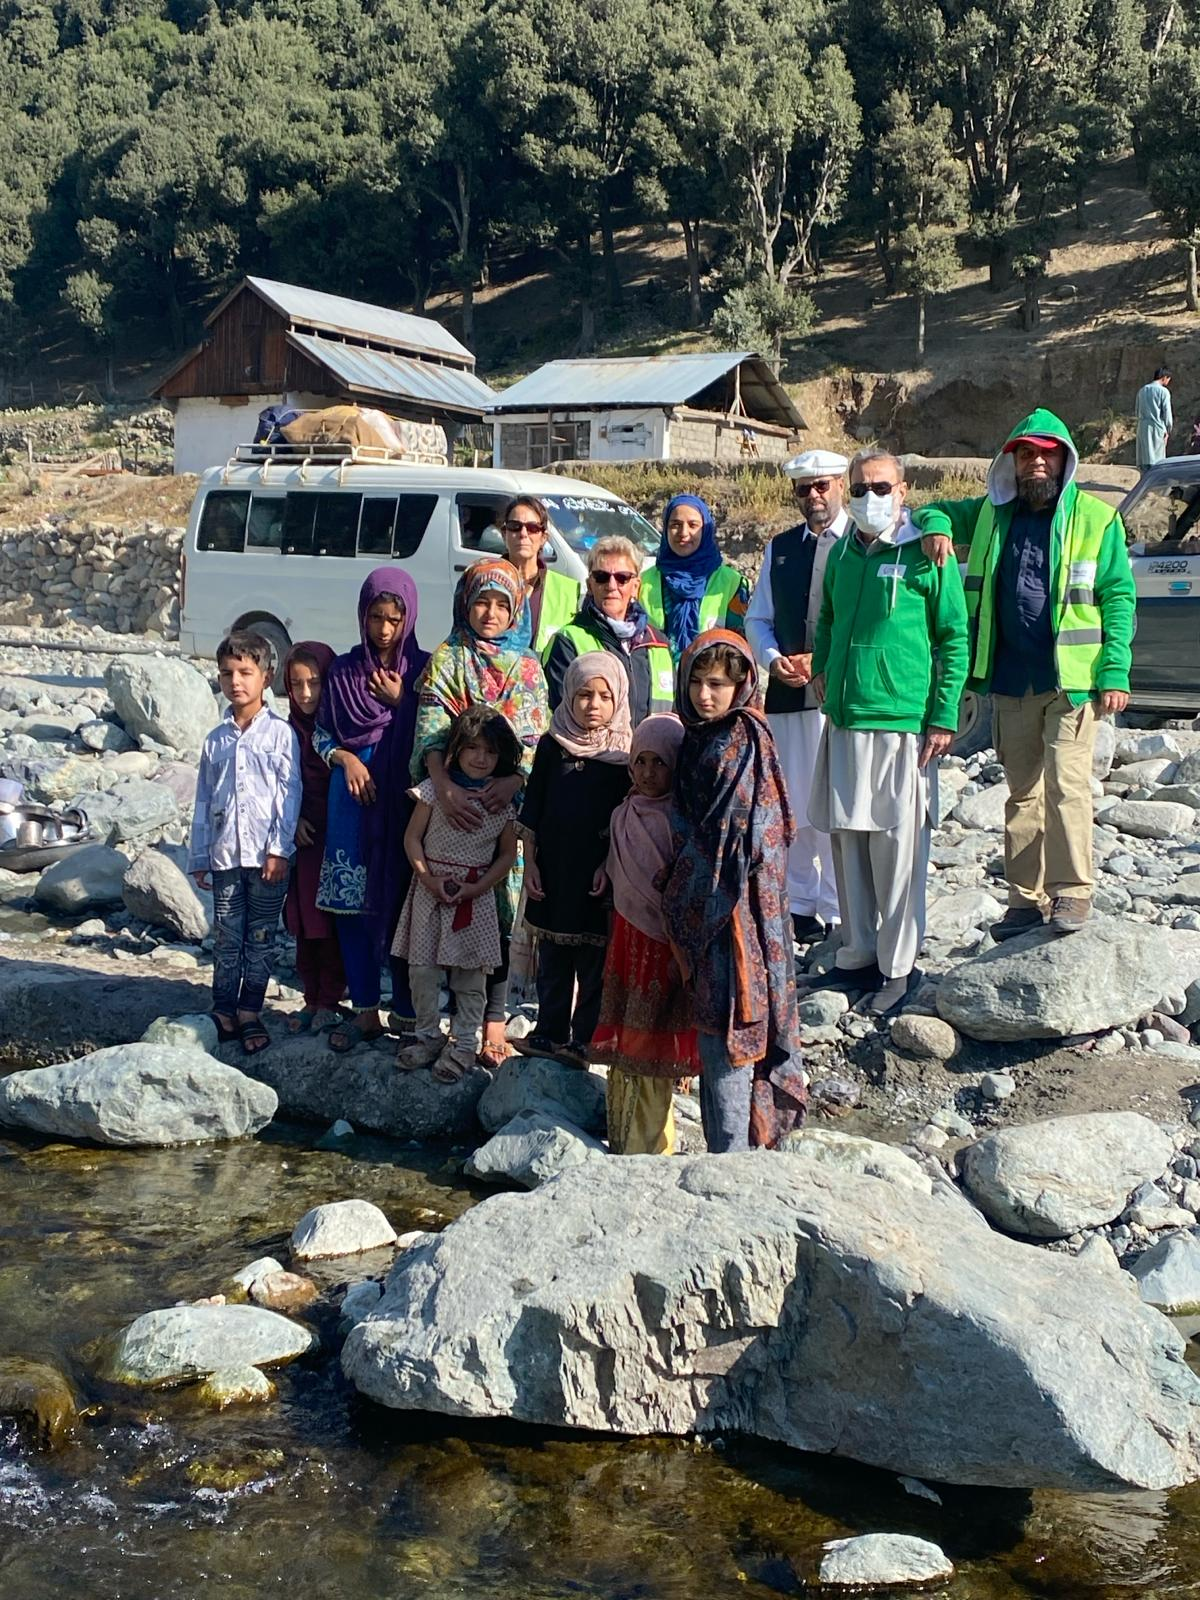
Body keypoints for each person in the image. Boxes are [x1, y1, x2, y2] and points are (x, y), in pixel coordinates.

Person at [916, 409, 1135, 939]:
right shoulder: (993, 513)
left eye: (1046, 452)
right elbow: (932, 510)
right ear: (1011, 462)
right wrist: (940, 529)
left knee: (1067, 788)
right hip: (1010, 679)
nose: (1036, 462)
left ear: (1064, 459)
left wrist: (1115, 671)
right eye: (1025, 453)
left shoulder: (1097, 519)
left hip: (1070, 682)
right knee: (1022, 793)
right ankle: (1023, 899)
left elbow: (1118, 596)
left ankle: (1072, 893)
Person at [806, 449, 968, 1015]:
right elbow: (826, 616)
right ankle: (858, 956)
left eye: (880, 486)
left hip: (902, 724)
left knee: (898, 850)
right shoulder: (846, 550)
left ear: (902, 490)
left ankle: (899, 969)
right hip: (846, 718)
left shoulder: (929, 553)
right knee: (848, 842)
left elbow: (953, 638)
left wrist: (944, 714)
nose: (869, 496)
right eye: (860, 487)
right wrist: (822, 665)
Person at [662, 630, 806, 1153]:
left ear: (742, 683)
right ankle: (728, 1150)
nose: (705, 695)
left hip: (737, 914)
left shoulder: (741, 741)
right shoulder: (697, 738)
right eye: (697, 682)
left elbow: (742, 836)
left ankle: (733, 1157)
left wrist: (687, 890)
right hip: (706, 905)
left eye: (718, 684)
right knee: (714, 1025)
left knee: (733, 1024)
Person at [411, 558, 550, 1065]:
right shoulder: (448, 657)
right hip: (451, 809)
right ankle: (437, 1027)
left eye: (501, 604)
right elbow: (430, 727)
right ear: (465, 604)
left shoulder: (527, 667)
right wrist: (443, 785)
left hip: (504, 810)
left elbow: (536, 736)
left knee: (496, 914)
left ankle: (491, 1021)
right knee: (442, 911)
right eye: (481, 601)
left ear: (515, 611)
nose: (489, 613)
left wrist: (513, 779)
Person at [315, 568, 428, 1053]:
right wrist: (343, 759)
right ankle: (364, 1009)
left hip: (402, 805)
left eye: (394, 619)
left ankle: (406, 1013)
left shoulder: (423, 670)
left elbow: (437, 727)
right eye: (376, 617)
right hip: (351, 803)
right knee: (351, 906)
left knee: (402, 903)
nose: (384, 629)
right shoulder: (341, 672)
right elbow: (321, 732)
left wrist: (405, 700)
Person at [745, 448, 848, 946]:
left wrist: (821, 662)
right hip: (787, 698)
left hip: (840, 698)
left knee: (835, 805)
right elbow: (757, 617)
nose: (813, 496)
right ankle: (803, 904)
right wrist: (772, 660)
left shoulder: (861, 544)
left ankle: (839, 904)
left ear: (841, 485)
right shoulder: (780, 547)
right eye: (804, 489)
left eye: (822, 486)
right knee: (797, 805)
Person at [393, 706, 522, 1082]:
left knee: (469, 977)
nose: (481, 759)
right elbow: (412, 838)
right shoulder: (434, 791)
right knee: (422, 970)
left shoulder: (502, 804)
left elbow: (507, 854)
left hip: (475, 897)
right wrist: (427, 878)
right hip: (429, 891)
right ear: (456, 750)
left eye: (491, 752)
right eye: (473, 749)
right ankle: (428, 1034)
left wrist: (479, 888)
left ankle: (464, 1043)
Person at [590, 714, 699, 1155]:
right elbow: (621, 867)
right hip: (627, 939)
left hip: (663, 944)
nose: (649, 773)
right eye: (641, 762)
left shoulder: (680, 819)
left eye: (660, 763)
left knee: (654, 1039)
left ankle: (653, 1145)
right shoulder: (623, 814)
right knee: (627, 1038)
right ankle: (623, 1135)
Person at [189, 629, 301, 1055]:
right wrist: (200, 855)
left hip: (267, 857)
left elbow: (289, 795)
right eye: (227, 673)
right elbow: (203, 799)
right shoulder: (215, 740)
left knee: (259, 935)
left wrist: (279, 848)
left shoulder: (279, 734)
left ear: (266, 678)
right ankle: (223, 1007)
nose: (235, 681)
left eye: (245, 672)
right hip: (224, 856)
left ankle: (251, 1009)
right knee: (226, 933)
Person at [518, 653, 633, 1067]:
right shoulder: (552, 744)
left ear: (618, 699)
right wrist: (529, 863)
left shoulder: (624, 755)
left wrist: (609, 866)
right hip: (551, 870)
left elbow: (625, 819)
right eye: (584, 694)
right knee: (552, 958)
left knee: (593, 963)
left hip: (597, 875)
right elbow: (533, 808)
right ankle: (548, 1033)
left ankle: (584, 1040)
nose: (593, 704)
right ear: (568, 695)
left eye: (604, 696)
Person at [282, 642, 346, 1033]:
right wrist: (293, 819)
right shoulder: (283, 731)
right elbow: (276, 785)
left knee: (336, 921)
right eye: (296, 684)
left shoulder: (341, 728)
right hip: (305, 837)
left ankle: (331, 999)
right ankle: (311, 996)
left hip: (340, 835)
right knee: (307, 920)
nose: (305, 694)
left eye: (314, 683)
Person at [543, 535, 674, 725]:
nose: (611, 586)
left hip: (649, 753)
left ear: (636, 586)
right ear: (590, 585)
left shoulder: (659, 644)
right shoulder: (568, 641)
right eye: (602, 577)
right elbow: (563, 713)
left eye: (622, 578)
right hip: (591, 754)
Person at [640, 493, 749, 662]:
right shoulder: (643, 582)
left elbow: (740, 649)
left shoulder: (732, 583)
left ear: (705, 530)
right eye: (675, 525)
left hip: (710, 684)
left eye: (693, 525)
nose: (684, 533)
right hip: (658, 684)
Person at [497, 495, 582, 653]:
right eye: (515, 526)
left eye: (532, 528)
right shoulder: (484, 580)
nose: (523, 534)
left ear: (543, 537)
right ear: (504, 533)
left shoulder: (566, 590)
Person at [1135, 367, 1173, 468]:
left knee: (1144, 459)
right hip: (1157, 427)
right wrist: (1168, 430)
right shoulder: (1163, 392)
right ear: (1164, 377)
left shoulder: (1142, 390)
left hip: (1142, 427)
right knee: (1157, 461)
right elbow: (1167, 414)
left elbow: (1137, 411)